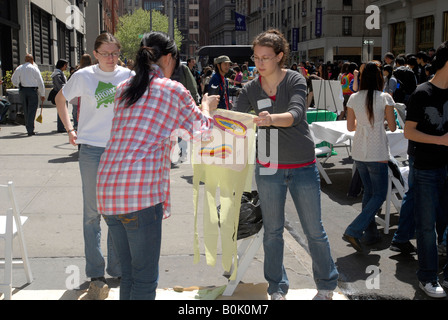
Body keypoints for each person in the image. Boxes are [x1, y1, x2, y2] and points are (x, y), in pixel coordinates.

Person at [96, 31, 219, 300]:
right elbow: (205, 133)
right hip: (139, 194)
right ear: (168, 58)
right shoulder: (173, 90)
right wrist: (206, 106)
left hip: (108, 188)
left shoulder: (123, 90)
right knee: (144, 279)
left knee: (128, 274)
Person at [234, 29, 339, 300]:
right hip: (268, 165)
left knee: (314, 230)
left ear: (280, 56)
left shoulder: (295, 79)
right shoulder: (250, 88)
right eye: (256, 57)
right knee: (272, 231)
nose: (259, 63)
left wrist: (270, 119)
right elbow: (235, 117)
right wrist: (211, 112)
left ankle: (327, 284)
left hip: (302, 163)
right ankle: (277, 288)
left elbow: (296, 113)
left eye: (266, 57)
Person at [55, 32, 134, 297]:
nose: (111, 59)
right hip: (91, 150)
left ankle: (118, 267)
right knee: (92, 213)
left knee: (118, 213)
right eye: (105, 53)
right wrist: (70, 128)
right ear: (95, 53)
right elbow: (60, 98)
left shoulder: (128, 77)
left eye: (115, 53)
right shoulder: (84, 76)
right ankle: (95, 271)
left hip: (120, 151)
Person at [404, 41, 448, 299]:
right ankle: (428, 277)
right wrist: (441, 140)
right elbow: (409, 131)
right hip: (426, 169)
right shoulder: (422, 92)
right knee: (426, 226)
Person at [342, 62, 397, 252]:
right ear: (380, 78)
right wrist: (376, 122)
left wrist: (364, 123)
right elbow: (393, 126)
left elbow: (350, 127)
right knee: (379, 194)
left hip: (359, 150)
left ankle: (371, 233)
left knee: (369, 192)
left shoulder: (354, 98)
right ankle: (355, 229)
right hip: (377, 150)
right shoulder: (385, 98)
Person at [11, 54, 46, 136]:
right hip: (32, 90)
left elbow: (13, 79)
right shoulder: (34, 68)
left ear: (25, 60)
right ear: (32, 60)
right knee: (32, 110)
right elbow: (40, 82)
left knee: (26, 110)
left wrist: (18, 85)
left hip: (23, 90)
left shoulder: (20, 68)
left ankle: (28, 127)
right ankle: (30, 129)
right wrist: (42, 94)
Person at [68, 54, 93, 131]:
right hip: (89, 94)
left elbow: (70, 82)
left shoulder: (76, 71)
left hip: (77, 94)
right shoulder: (93, 70)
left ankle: (76, 126)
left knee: (76, 110)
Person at [52, 59, 69, 132]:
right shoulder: (57, 74)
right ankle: (61, 127)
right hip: (61, 95)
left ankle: (62, 126)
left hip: (62, 94)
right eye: (65, 65)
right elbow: (60, 86)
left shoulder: (59, 73)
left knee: (62, 110)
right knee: (62, 111)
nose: (67, 67)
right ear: (62, 65)